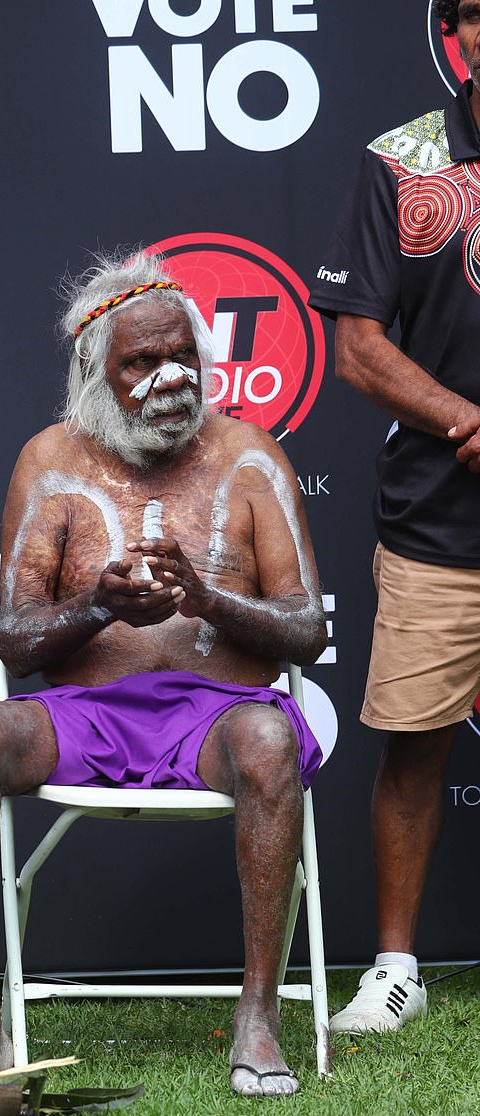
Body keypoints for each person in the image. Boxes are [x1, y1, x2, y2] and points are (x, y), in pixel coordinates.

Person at [0, 250, 326, 1097]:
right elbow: (16, 638)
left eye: (181, 355)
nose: (169, 378)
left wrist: (208, 600)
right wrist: (98, 608)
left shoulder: (250, 456)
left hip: (220, 716)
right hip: (85, 714)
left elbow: (308, 628)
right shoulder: (49, 461)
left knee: (268, 736)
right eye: (141, 362)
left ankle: (259, 1015)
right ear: (93, 371)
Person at [307, 0, 480, 1034]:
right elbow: (355, 345)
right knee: (413, 748)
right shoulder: (400, 161)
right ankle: (395, 966)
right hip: (437, 527)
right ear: (460, 34)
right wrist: (465, 417)